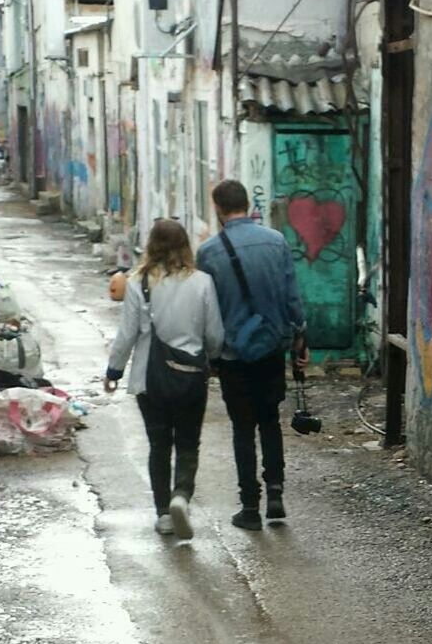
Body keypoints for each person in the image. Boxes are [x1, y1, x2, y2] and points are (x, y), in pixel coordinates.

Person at [196, 179, 309, 530]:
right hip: (272, 348)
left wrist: (209, 354)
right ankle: (276, 493)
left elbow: (208, 309)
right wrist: (300, 340)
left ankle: (250, 507)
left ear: (218, 208)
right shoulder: (276, 242)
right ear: (247, 204)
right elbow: (292, 298)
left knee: (243, 429)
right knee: (270, 421)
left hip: (233, 355)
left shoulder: (209, 252)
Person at [104, 218, 224, 540]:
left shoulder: (137, 282)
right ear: (185, 245)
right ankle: (181, 496)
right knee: (188, 443)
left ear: (152, 245)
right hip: (190, 378)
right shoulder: (202, 282)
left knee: (159, 445)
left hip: (149, 379)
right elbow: (214, 334)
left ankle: (163, 515)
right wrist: (212, 359)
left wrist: (114, 370)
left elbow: (127, 333)